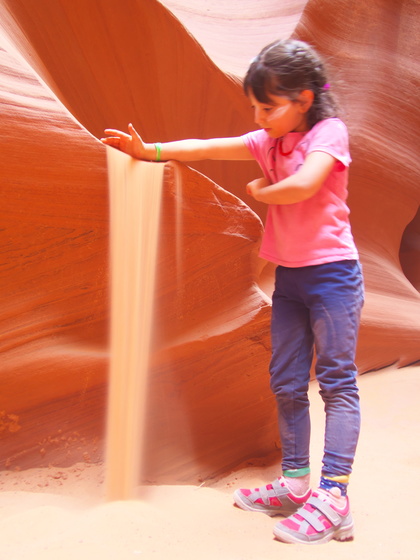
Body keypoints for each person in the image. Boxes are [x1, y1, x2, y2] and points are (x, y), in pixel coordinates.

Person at [101, 39, 364, 545]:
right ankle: (295, 484)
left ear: (304, 100)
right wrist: (148, 150)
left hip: (333, 275)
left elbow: (306, 184)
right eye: (255, 108)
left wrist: (261, 192)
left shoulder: (330, 132)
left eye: (269, 107)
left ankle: (333, 497)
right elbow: (203, 146)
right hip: (290, 278)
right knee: (286, 381)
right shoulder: (266, 141)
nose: (260, 117)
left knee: (336, 383)